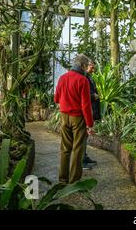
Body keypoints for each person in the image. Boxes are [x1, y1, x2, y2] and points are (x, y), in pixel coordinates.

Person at [54, 54, 94, 184]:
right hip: (78, 118)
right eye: (87, 65)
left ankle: (62, 179)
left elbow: (56, 99)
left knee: (65, 149)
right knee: (77, 149)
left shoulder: (62, 78)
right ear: (82, 65)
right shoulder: (83, 80)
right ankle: (74, 180)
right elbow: (86, 105)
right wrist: (90, 124)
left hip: (64, 117)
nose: (87, 68)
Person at [82, 60, 101, 169]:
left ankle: (84, 157)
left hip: (91, 109)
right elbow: (84, 95)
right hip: (86, 110)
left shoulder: (88, 77)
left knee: (85, 136)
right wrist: (93, 96)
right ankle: (81, 160)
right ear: (86, 66)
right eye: (91, 68)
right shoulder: (83, 78)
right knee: (83, 136)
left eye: (94, 68)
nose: (93, 70)